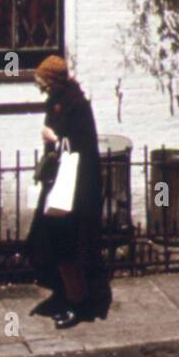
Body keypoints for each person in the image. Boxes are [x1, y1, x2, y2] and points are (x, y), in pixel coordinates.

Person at [26, 54, 109, 329]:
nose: (40, 88)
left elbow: (82, 145)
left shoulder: (76, 105)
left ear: (51, 80)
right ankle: (66, 294)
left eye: (43, 82)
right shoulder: (60, 101)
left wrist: (55, 139)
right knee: (54, 242)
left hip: (76, 190)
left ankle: (78, 303)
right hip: (60, 185)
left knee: (69, 245)